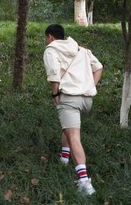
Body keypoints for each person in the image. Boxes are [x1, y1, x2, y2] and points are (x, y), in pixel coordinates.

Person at [43, 24, 103, 196]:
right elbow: (98, 67)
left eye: (46, 39)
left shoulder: (51, 50)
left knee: (74, 137)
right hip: (86, 100)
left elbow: (54, 73)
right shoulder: (79, 48)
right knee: (69, 128)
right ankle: (64, 157)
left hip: (69, 98)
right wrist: (90, 85)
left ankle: (85, 183)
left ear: (50, 37)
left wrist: (55, 95)